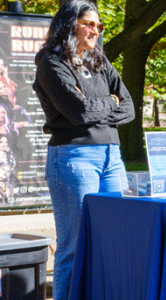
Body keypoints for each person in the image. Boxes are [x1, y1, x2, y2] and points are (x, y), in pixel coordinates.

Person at [33, 1, 135, 298]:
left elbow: (128, 108)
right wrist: (110, 102)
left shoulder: (99, 61)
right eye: (89, 24)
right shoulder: (51, 64)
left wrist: (104, 105)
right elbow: (80, 112)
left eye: (99, 26)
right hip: (73, 158)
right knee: (74, 246)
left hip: (111, 156)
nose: (96, 30)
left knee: (113, 240)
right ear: (69, 24)